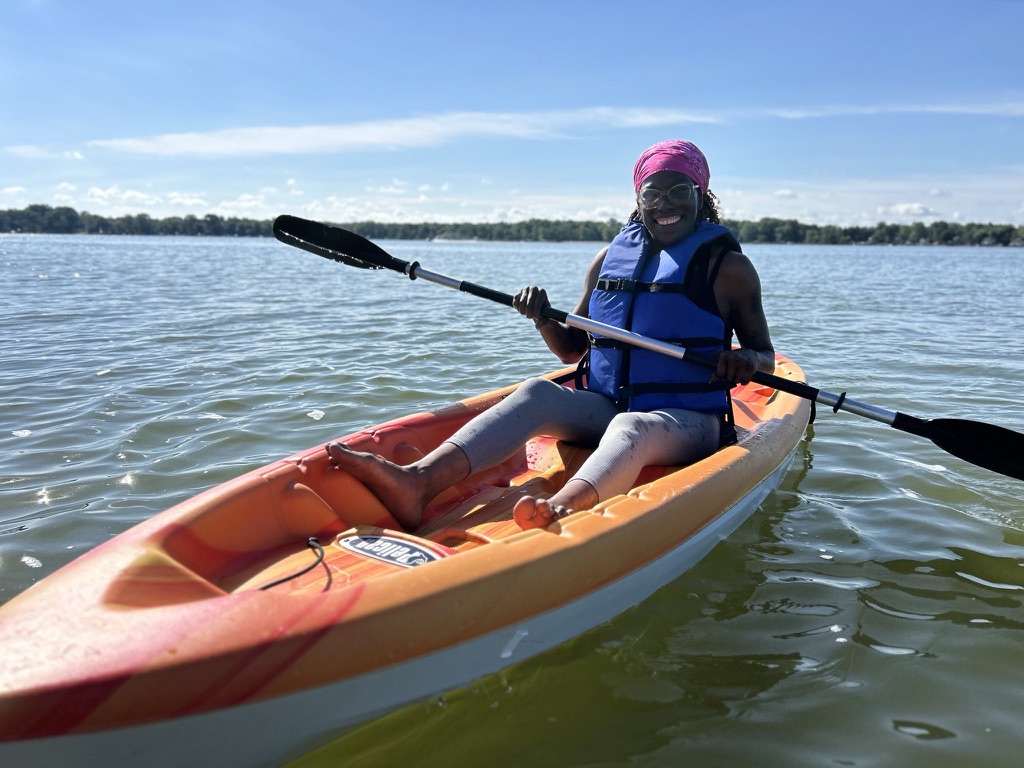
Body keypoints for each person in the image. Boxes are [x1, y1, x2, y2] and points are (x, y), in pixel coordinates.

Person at [326, 139, 775, 531]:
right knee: (536, 393)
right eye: (652, 193)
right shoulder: (608, 260)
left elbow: (766, 357)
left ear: (700, 194)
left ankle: (561, 509)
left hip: (689, 422)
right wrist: (542, 318)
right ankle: (418, 481)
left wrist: (747, 361)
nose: (665, 204)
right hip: (608, 406)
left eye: (679, 191)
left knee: (632, 425)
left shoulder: (729, 269)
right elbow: (572, 350)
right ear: (638, 199)